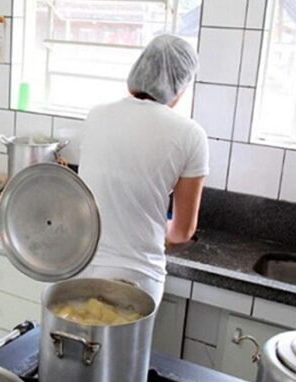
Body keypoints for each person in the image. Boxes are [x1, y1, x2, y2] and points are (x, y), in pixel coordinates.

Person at [77, 34, 208, 305]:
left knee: (75, 346)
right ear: (181, 85)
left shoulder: (97, 115)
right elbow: (182, 231)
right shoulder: (191, 135)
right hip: (135, 279)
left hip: (79, 266)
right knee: (126, 349)